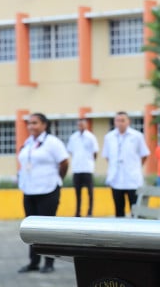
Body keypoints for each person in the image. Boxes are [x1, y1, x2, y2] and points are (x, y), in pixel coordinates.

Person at [17, 113, 69, 274]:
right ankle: (34, 262)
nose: (31, 126)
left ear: (44, 125)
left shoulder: (53, 143)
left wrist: (58, 179)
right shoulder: (28, 143)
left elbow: (64, 162)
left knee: (46, 229)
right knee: (31, 229)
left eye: (35, 123)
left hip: (48, 189)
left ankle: (49, 262)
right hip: (29, 190)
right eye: (29, 123)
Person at [102, 111, 150, 217]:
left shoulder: (137, 136)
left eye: (123, 120)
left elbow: (144, 155)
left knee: (136, 212)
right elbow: (107, 156)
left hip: (132, 180)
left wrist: (135, 167)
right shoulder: (109, 137)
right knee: (119, 212)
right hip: (116, 179)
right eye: (117, 120)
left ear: (128, 122)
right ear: (114, 122)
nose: (120, 123)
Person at [67, 118, 99, 217]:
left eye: (82, 125)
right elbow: (71, 151)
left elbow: (95, 152)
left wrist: (90, 162)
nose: (80, 126)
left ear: (86, 125)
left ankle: (90, 211)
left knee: (90, 192)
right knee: (77, 192)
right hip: (77, 168)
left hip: (87, 168)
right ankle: (78, 212)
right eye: (79, 125)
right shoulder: (73, 137)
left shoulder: (91, 137)